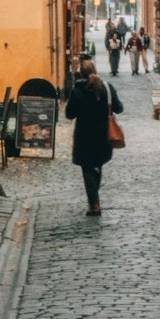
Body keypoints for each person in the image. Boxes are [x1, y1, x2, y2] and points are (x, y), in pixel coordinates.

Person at [65, 57, 123, 216]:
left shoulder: (77, 91)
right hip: (103, 135)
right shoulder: (106, 87)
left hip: (84, 136)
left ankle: (94, 204)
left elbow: (69, 114)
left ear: (80, 74)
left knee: (88, 168)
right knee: (97, 164)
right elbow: (119, 108)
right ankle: (94, 198)